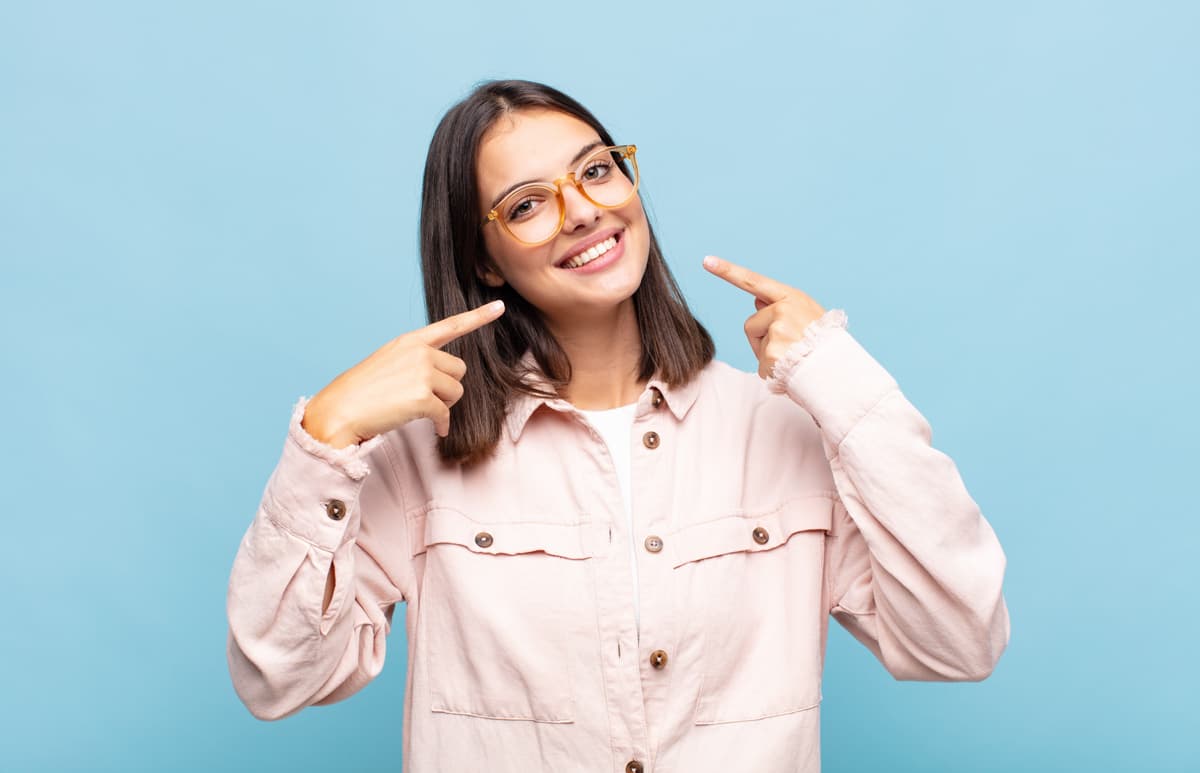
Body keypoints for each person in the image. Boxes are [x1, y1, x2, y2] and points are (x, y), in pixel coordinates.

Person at [225, 79, 1010, 772]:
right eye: (528, 204)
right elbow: (282, 677)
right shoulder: (419, 455)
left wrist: (837, 376)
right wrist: (324, 438)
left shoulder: (781, 429)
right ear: (486, 259)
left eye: (596, 170)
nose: (584, 212)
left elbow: (959, 640)